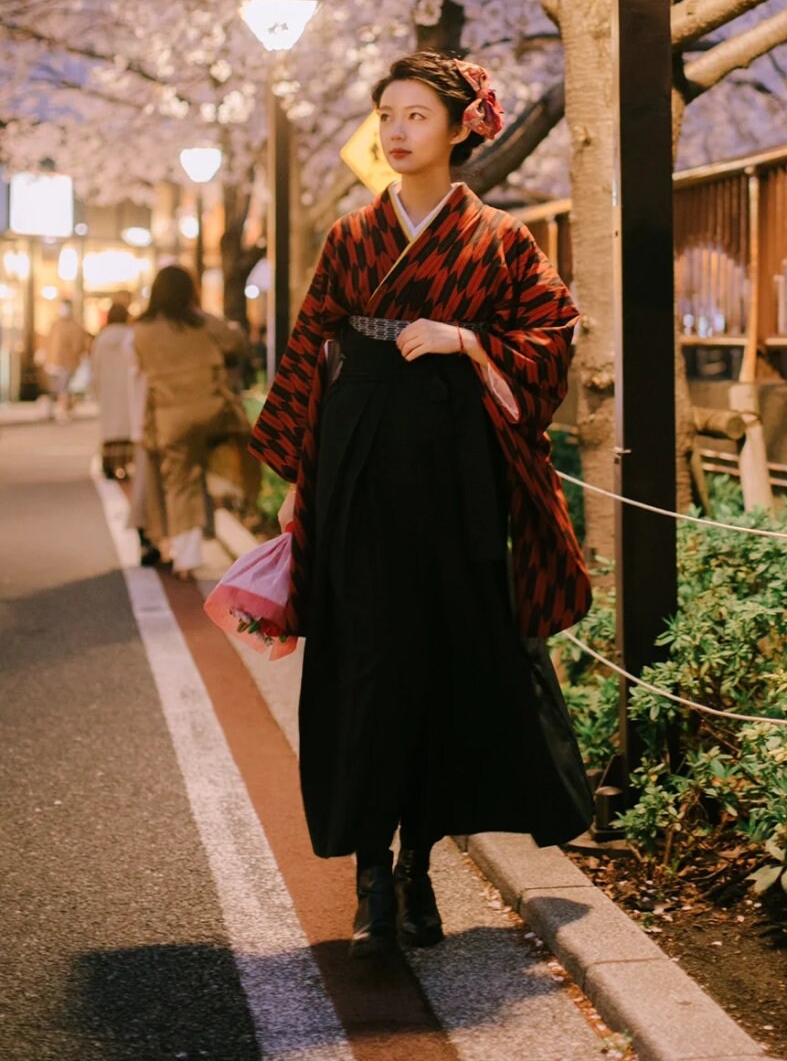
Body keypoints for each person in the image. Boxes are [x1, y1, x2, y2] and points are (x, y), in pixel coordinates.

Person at [250, 51, 593, 959]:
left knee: (444, 666)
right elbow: (309, 347)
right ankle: (370, 873)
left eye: (415, 117)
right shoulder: (351, 236)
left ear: (458, 130)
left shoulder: (501, 239)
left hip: (453, 470)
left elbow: (551, 336)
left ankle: (418, 867)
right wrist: (298, 480)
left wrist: (466, 338)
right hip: (359, 464)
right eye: (386, 116)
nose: (396, 132)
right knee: (366, 664)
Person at [133, 267, 252, 580]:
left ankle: (185, 556)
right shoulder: (202, 322)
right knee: (206, 471)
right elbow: (235, 341)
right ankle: (216, 521)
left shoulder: (142, 331)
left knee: (179, 482)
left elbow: (138, 368)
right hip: (212, 412)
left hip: (171, 418)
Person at [90, 302, 136, 478]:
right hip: (127, 387)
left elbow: (96, 365)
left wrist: (96, 388)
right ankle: (125, 463)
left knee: (109, 428)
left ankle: (108, 464)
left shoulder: (102, 339)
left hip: (108, 387)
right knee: (127, 427)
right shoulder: (131, 336)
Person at [41, 301, 89, 421]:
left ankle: (61, 410)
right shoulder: (59, 325)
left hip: (60, 363)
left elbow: (77, 346)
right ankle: (61, 411)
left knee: (61, 388)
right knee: (61, 388)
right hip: (59, 363)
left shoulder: (63, 325)